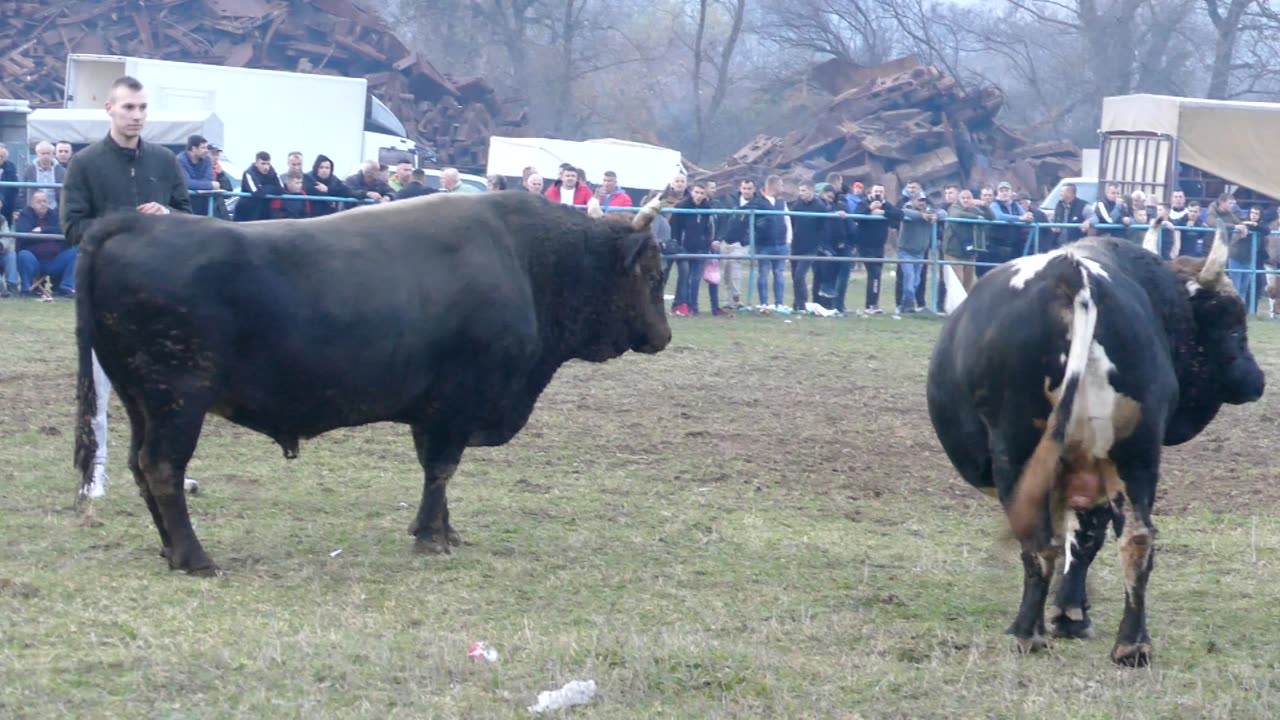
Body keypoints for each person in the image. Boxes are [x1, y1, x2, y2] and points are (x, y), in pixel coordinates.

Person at [60, 75, 200, 500]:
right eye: (128, 108)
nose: (136, 116)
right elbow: (72, 227)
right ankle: (94, 472)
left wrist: (167, 214)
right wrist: (124, 227)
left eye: (141, 108)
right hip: (108, 295)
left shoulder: (164, 161)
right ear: (110, 109)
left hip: (163, 295)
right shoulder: (85, 164)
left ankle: (170, 469)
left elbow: (188, 215)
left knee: (170, 389)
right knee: (99, 387)